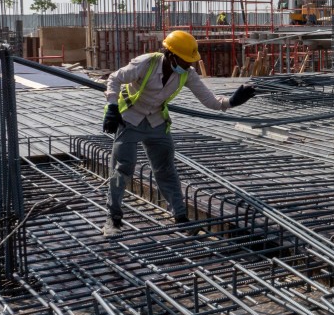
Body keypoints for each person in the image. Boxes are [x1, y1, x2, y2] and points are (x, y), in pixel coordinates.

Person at [101, 30, 255, 236]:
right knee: (122, 168)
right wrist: (112, 107)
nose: (188, 65)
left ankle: (181, 218)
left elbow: (209, 100)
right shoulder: (146, 63)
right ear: (171, 55)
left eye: (190, 61)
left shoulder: (187, 73)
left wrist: (232, 101)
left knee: (166, 169)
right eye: (185, 60)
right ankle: (113, 219)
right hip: (129, 119)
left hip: (156, 122)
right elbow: (114, 78)